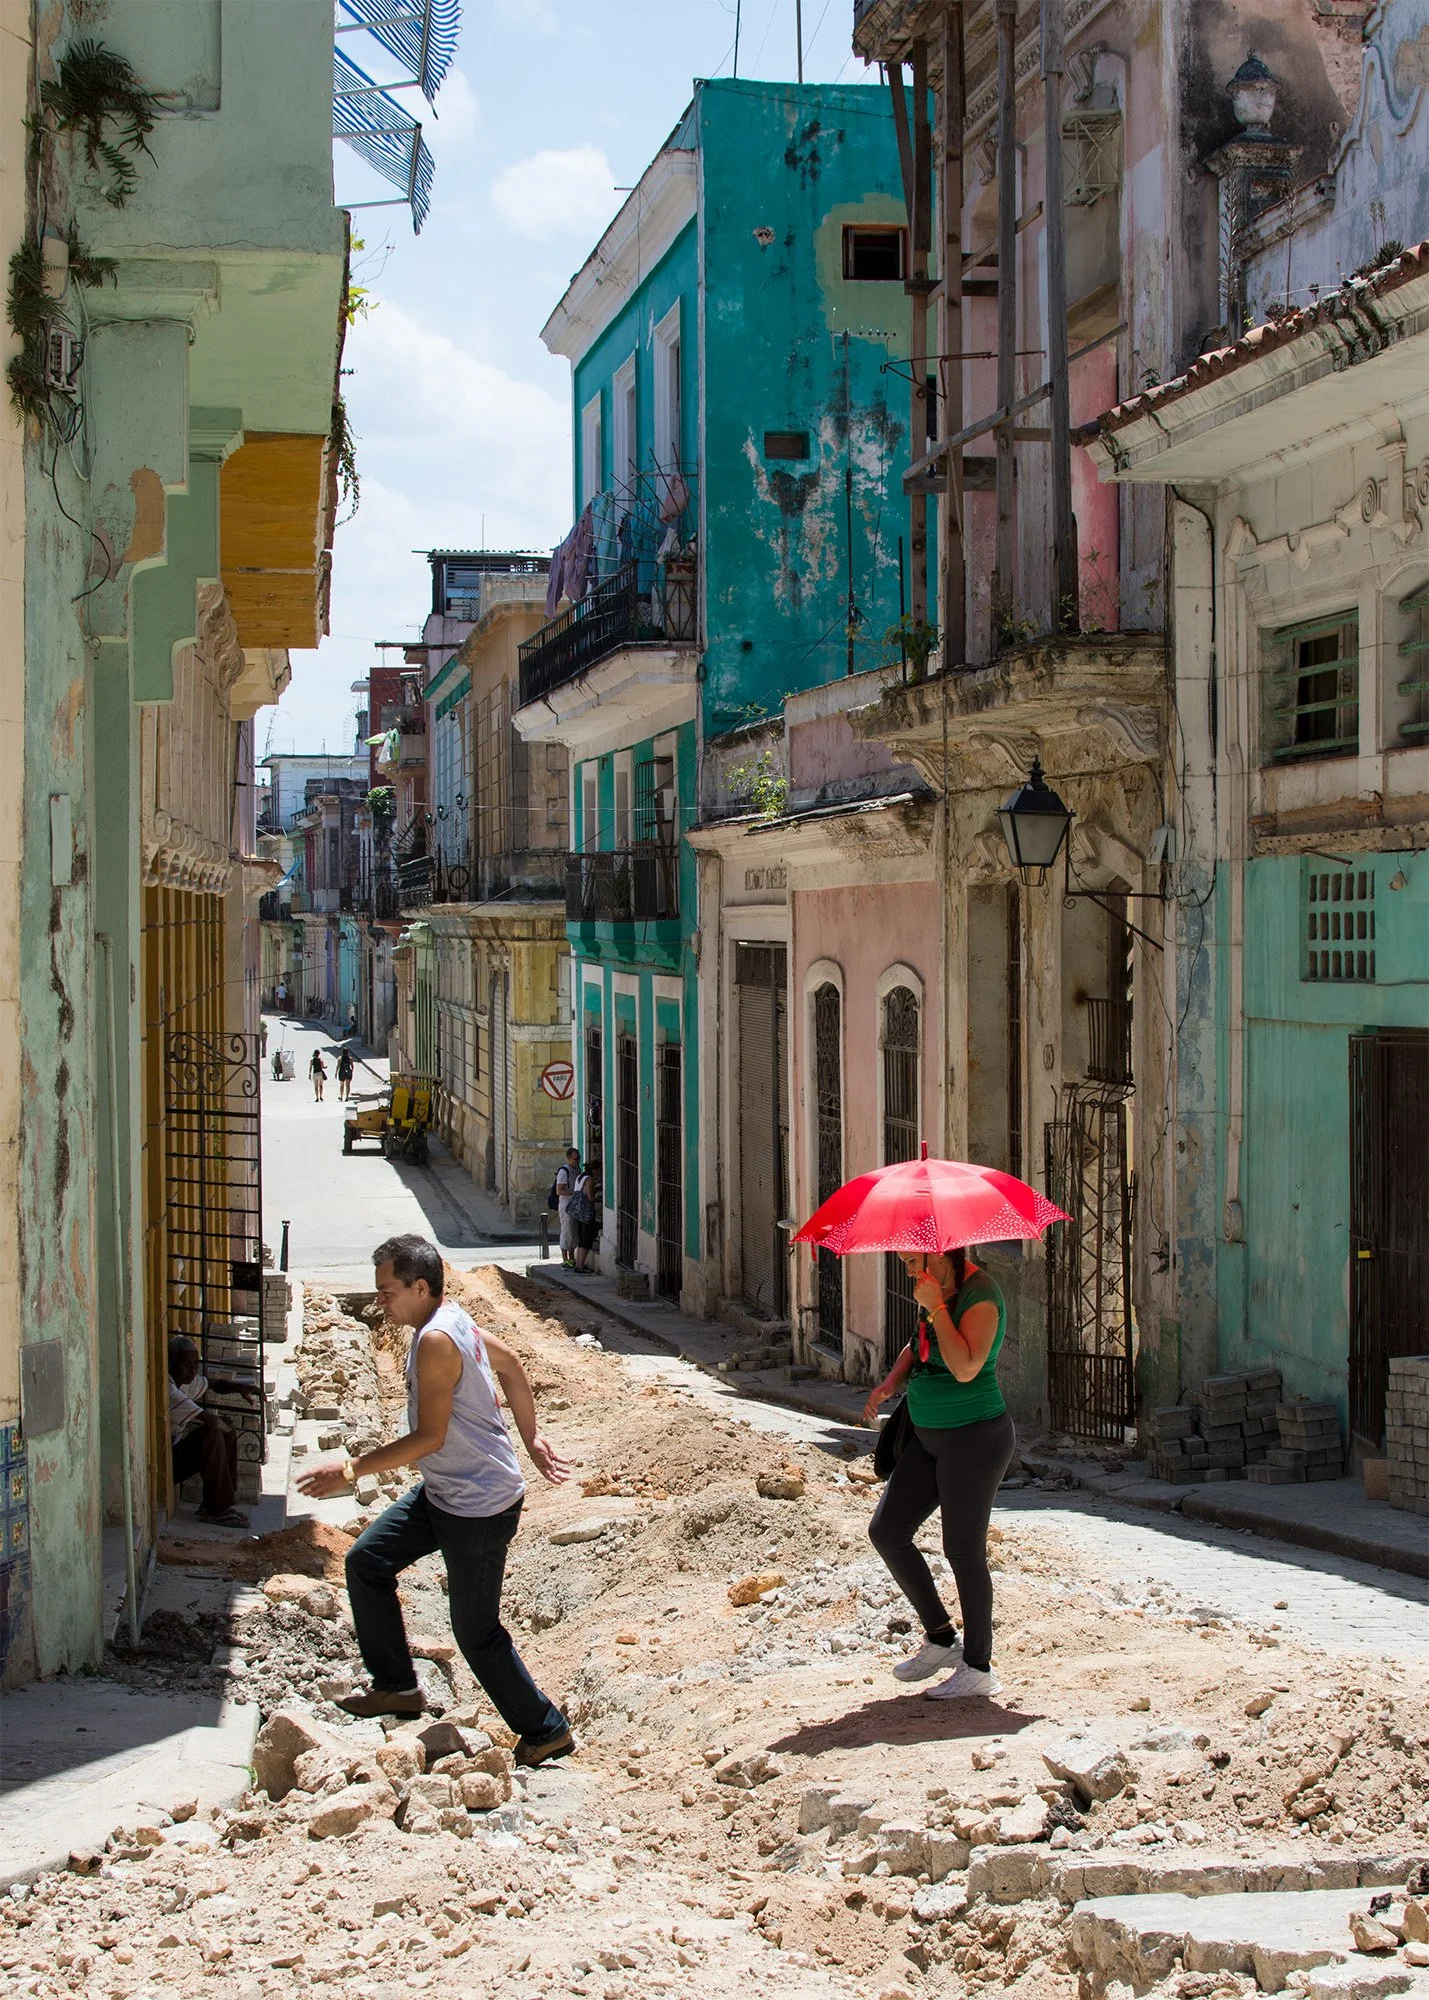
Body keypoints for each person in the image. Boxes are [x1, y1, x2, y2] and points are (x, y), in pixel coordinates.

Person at [296, 1234, 576, 1767]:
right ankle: (398, 1688)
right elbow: (512, 1363)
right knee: (367, 1561)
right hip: (447, 1494)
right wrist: (530, 1435)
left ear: (419, 1287)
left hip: (479, 1507)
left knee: (475, 1631)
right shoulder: (449, 1318)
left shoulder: (436, 1339)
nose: (380, 1300)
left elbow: (430, 1437)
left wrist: (350, 1469)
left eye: (387, 1290)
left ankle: (546, 1729)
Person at [862, 1247, 1015, 1700]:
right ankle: (942, 1638)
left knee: (963, 1551)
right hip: (928, 1436)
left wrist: (939, 1307)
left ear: (943, 1255)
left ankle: (979, 1667)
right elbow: (920, 1343)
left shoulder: (980, 1296)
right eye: (906, 1262)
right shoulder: (936, 1292)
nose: (909, 1270)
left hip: (974, 1439)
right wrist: (891, 1381)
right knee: (887, 1531)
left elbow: (967, 1366)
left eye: (914, 1261)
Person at [168, 1334, 249, 1528]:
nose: (192, 1370)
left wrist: (239, 1387)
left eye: (195, 1364)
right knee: (213, 1433)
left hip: (176, 1452)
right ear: (171, 1363)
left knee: (224, 1431)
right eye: (186, 1364)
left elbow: (213, 1384)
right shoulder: (170, 1389)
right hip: (168, 1464)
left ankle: (221, 1501)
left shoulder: (185, 1382)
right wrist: (222, 1425)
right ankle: (216, 1508)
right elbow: (209, 1419)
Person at [570, 1158, 599, 1272]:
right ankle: (581, 1266)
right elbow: (590, 1197)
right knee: (586, 1239)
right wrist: (598, 1197)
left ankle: (578, 1264)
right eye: (599, 1171)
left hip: (578, 1213)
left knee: (582, 1238)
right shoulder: (589, 1180)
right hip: (586, 1213)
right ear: (594, 1170)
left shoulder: (580, 1177)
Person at [554, 1146, 580, 1265]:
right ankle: (565, 1260)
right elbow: (559, 1191)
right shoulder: (564, 1171)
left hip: (574, 1204)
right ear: (569, 1159)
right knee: (566, 1230)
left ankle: (572, 1257)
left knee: (573, 1231)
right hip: (566, 1204)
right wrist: (574, 1192)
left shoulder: (577, 1169)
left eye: (578, 1158)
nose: (577, 1161)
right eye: (575, 1159)